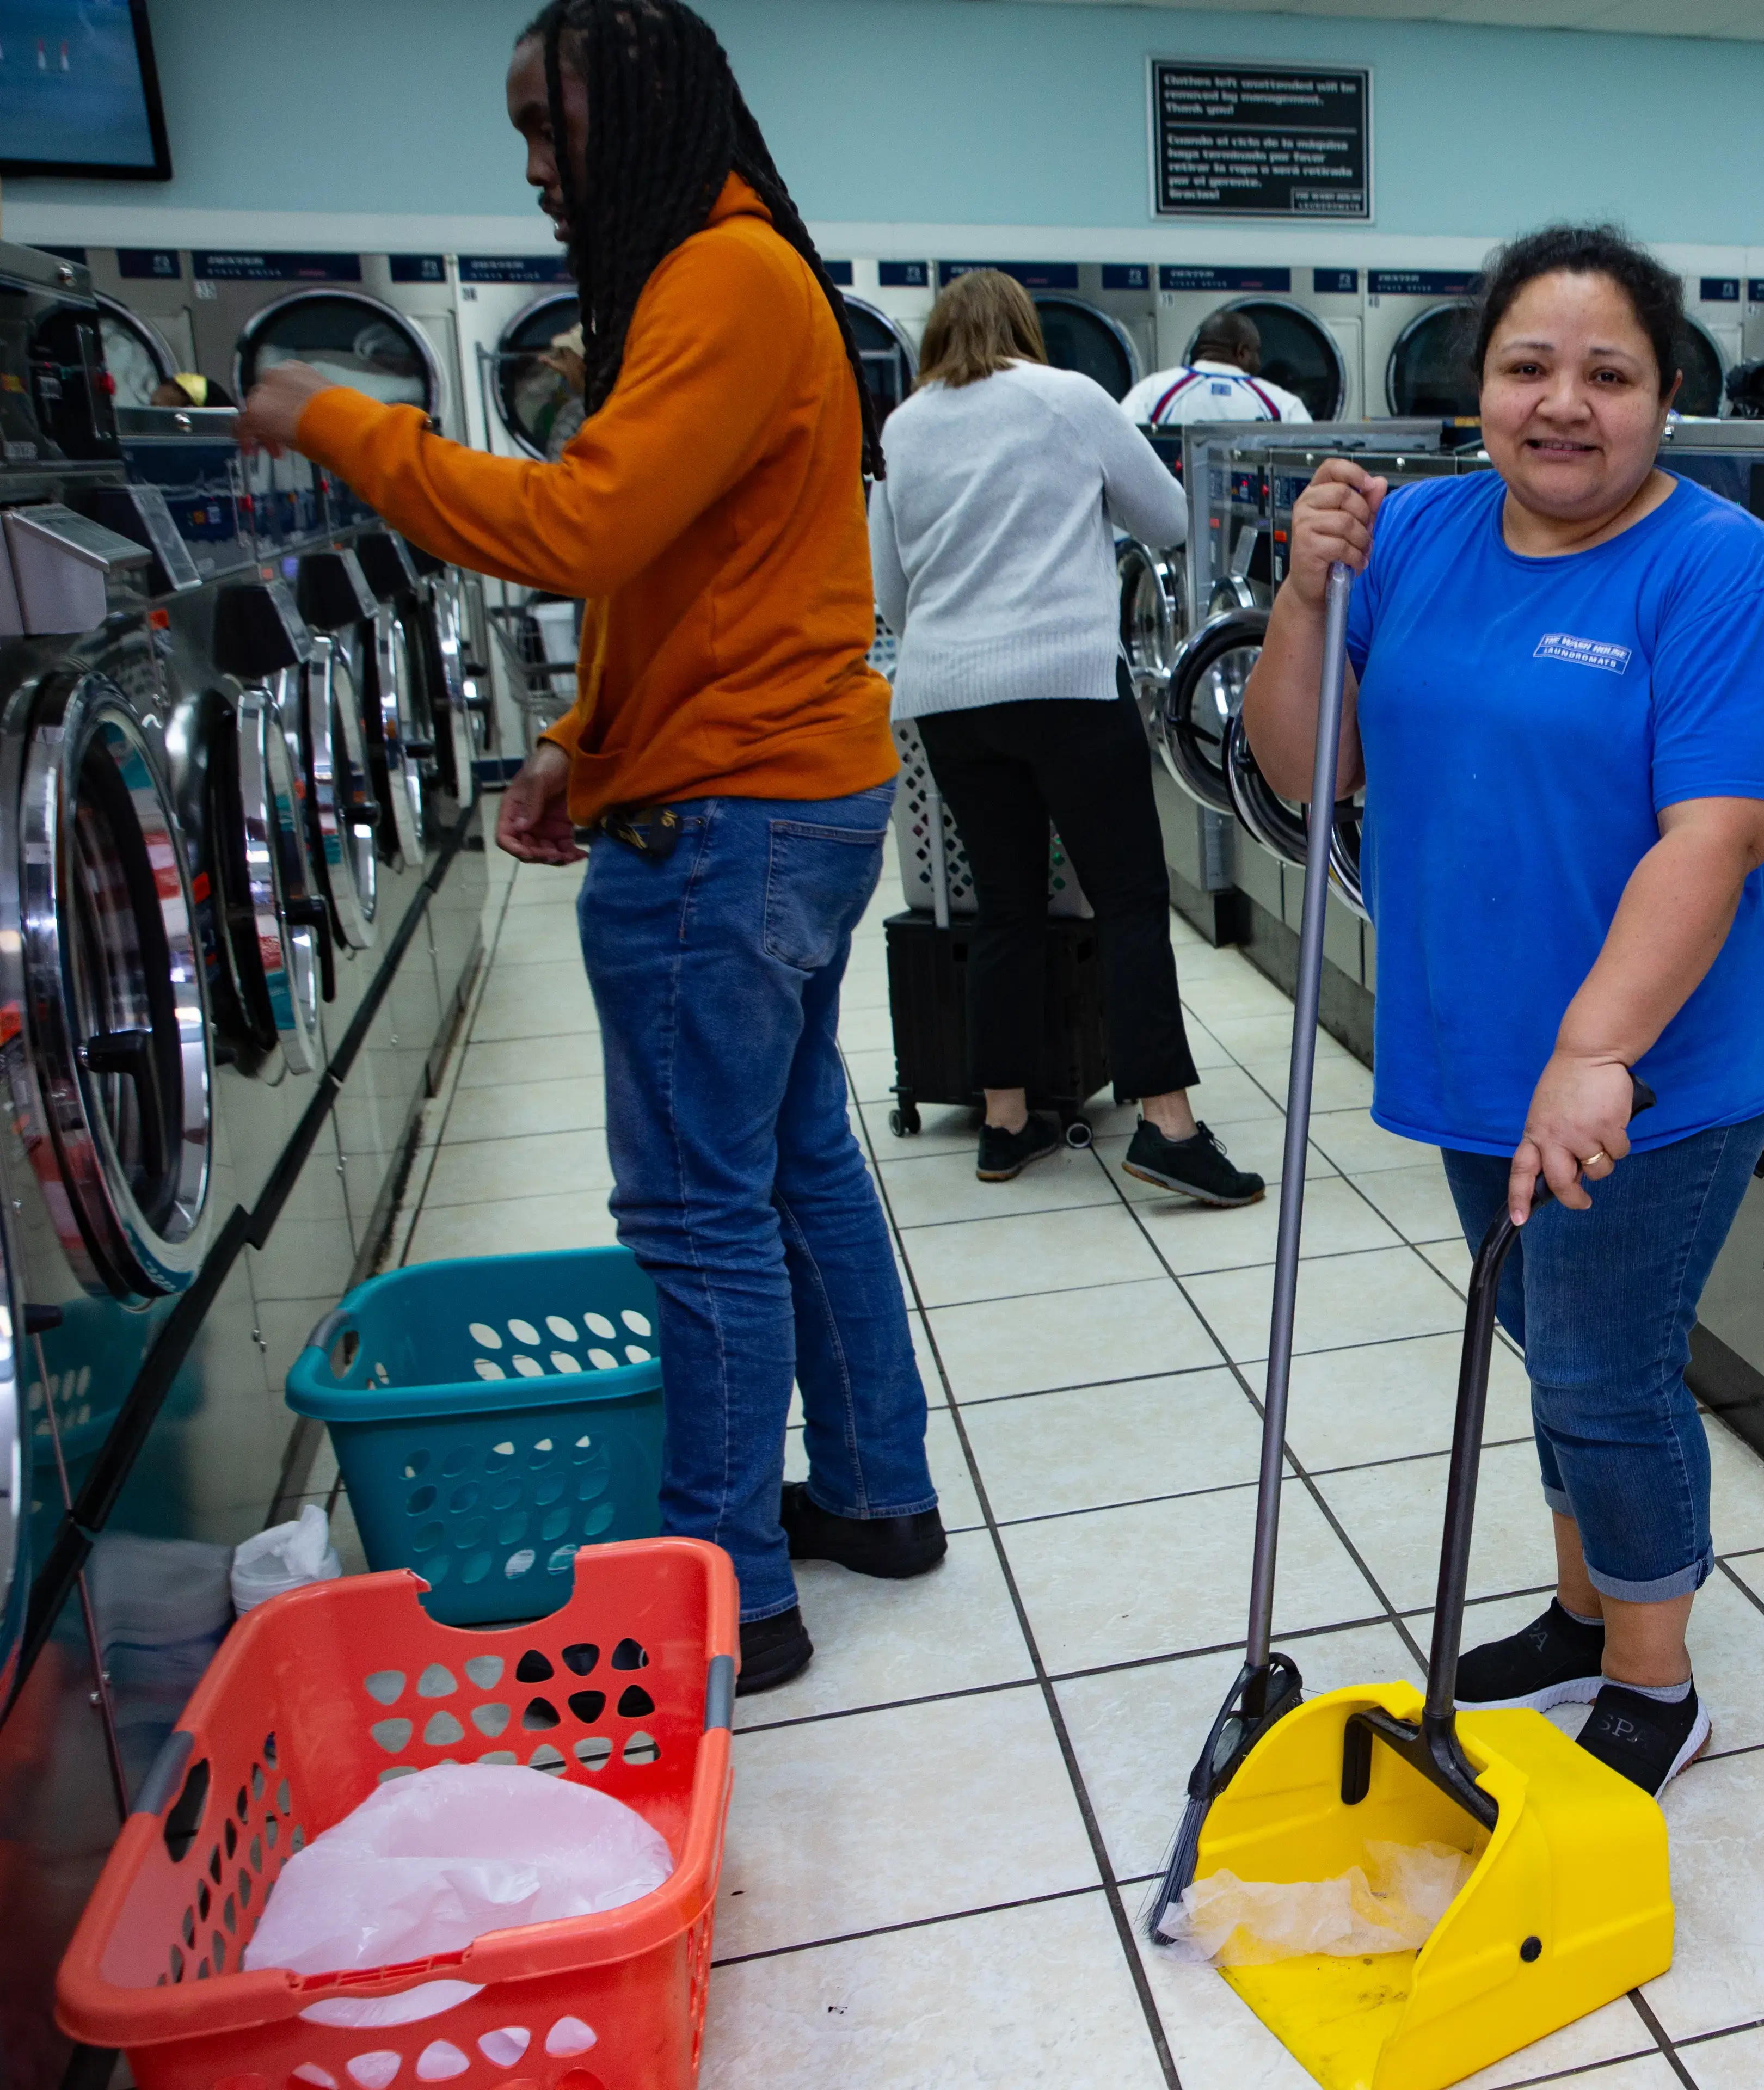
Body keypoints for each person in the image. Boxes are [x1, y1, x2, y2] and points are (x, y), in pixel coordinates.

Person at [238, 0, 941, 1696]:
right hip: (778, 784)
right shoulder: (745, 274)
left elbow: (575, 530)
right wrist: (581, 742)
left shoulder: (719, 275)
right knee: (793, 1165)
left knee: (698, 1209)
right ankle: (873, 1490)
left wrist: (340, 420)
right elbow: (674, 566)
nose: (539, 175)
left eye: (545, 133)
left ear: (629, 117)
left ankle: (727, 1585)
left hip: (732, 817)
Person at [1243, 224, 1764, 1798]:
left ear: (1669, 396)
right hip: (1472, 1051)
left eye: (1608, 374)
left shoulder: (1718, 569)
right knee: (1542, 1335)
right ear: (1477, 384)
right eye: (1528, 366)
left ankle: (1655, 1676)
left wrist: (1595, 1052)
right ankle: (1582, 1610)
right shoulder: (1414, 538)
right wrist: (1306, 596)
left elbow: (1724, 834)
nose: (1565, 404)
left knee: (1601, 1369)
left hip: (1652, 1066)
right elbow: (1309, 771)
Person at [871, 271, 1264, 1203]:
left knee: (1003, 908)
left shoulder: (903, 425)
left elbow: (889, 592)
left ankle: (1006, 1124)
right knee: (1130, 901)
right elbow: (1169, 522)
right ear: (1024, 329)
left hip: (947, 696)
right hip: (1063, 685)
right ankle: (1168, 1127)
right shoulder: (1068, 398)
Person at [1120, 309, 1313, 427]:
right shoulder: (1281, 404)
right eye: (1257, 352)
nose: (1259, 363)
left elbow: (1121, 446)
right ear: (1242, 352)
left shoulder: (1152, 391)